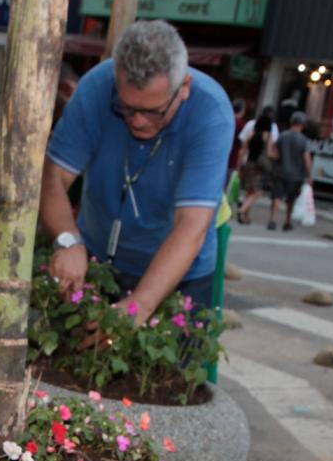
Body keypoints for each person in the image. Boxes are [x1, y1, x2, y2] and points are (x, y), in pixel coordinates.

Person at [41, 20, 234, 321]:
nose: (138, 121)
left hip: (179, 276)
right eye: (126, 107)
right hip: (96, 257)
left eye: (153, 111)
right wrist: (68, 239)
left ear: (183, 88)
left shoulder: (211, 113)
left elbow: (191, 226)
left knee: (168, 366)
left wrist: (140, 305)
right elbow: (53, 177)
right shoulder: (97, 86)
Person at [268, 111, 312, 231]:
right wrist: (309, 174)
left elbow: (275, 154)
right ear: (302, 125)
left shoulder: (283, 136)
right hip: (296, 175)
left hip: (280, 171)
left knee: (277, 196)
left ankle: (273, 219)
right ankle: (287, 221)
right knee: (290, 199)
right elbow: (307, 159)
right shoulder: (304, 140)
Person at [236, 107, 277, 224]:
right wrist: (277, 155)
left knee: (249, 190)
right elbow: (269, 153)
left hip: (248, 163)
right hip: (259, 166)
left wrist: (238, 167)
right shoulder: (267, 136)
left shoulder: (251, 133)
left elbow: (242, 151)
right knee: (257, 191)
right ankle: (242, 209)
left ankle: (246, 216)